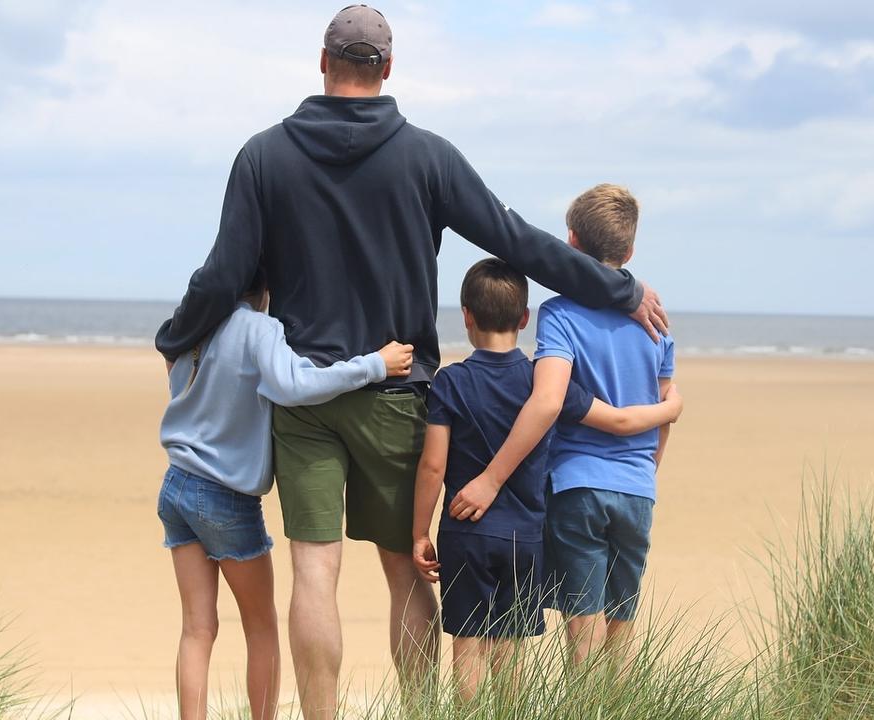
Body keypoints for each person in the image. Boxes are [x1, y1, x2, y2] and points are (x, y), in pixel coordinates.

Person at [154, 6, 669, 717]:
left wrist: (177, 337)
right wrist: (620, 285)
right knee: (404, 571)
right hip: (399, 391)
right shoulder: (426, 155)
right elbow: (518, 242)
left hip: (304, 400)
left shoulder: (264, 156)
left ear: (323, 62)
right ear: (388, 69)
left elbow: (223, 278)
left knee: (314, 568)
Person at [410, 259, 683, 702]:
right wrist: (669, 410)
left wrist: (420, 531)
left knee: (468, 646)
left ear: (466, 315)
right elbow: (615, 419)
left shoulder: (451, 381)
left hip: (465, 533)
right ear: (524, 319)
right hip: (526, 537)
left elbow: (433, 466)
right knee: (511, 651)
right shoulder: (544, 383)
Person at [156, 266, 414, 720]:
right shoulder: (258, 328)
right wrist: (374, 365)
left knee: (197, 629)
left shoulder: (195, 325)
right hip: (226, 497)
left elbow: (175, 374)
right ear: (267, 287)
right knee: (261, 628)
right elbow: (294, 385)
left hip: (176, 484)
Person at [448, 185, 675, 667]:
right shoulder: (655, 322)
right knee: (622, 624)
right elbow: (664, 411)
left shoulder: (559, 315)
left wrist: (491, 479)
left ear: (569, 244)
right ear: (630, 250)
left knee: (583, 629)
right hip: (638, 488)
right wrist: (645, 472)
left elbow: (548, 401)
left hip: (577, 487)